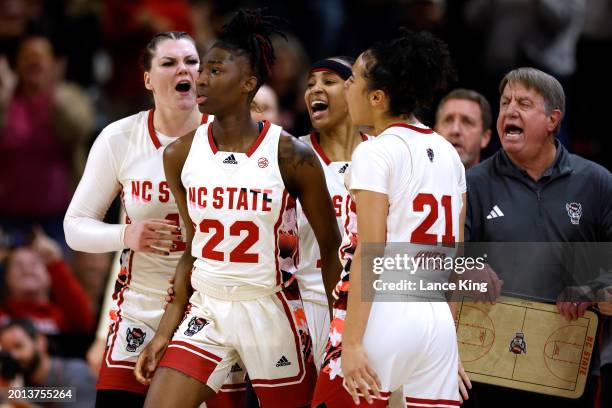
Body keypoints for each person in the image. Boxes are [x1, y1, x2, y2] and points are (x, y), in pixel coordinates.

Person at [133, 9, 342, 408]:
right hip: (207, 308)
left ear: (248, 84)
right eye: (203, 69)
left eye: (214, 70)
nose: (201, 78)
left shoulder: (290, 154)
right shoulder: (179, 154)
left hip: (270, 308)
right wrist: (165, 331)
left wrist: (340, 332)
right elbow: (193, 248)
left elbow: (331, 250)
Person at [313, 29, 462, 407]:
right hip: (437, 320)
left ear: (377, 98)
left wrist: (351, 342)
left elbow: (371, 252)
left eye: (354, 79)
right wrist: (451, 343)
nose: (347, 86)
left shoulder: (375, 152)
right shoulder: (448, 152)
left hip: (386, 315)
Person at [63, 31, 212, 407]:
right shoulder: (120, 137)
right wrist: (127, 234)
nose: (184, 69)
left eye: (191, 61)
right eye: (169, 63)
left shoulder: (226, 137)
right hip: (139, 308)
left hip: (209, 309)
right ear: (148, 79)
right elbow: (75, 227)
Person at [464, 67, 612, 407]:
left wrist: (592, 291)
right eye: (505, 103)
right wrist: (465, 272)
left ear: (553, 119)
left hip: (566, 368)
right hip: (486, 368)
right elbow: (444, 261)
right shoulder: (473, 183)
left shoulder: (597, 182)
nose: (510, 111)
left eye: (524, 103)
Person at [295, 55, 369, 372]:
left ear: (354, 90)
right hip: (304, 302)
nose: (315, 90)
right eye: (310, 84)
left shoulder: (384, 152)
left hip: (366, 306)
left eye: (329, 81)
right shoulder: (292, 153)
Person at [0, 227, 94, 336]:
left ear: (49, 275)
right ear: (7, 277)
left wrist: (55, 262)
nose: (26, 269)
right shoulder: (2, 315)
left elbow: (84, 322)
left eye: (34, 263)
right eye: (18, 264)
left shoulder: (64, 318)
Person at [0, 318, 96, 408]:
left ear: (40, 342)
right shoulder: (15, 382)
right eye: (7, 352)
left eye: (18, 346)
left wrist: (22, 402)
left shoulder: (75, 373)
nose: (13, 356)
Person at [435, 88, 492, 169]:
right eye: (448, 121)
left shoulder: (501, 181)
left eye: (467, 122)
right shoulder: (414, 178)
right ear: (435, 133)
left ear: (485, 137)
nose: (455, 130)